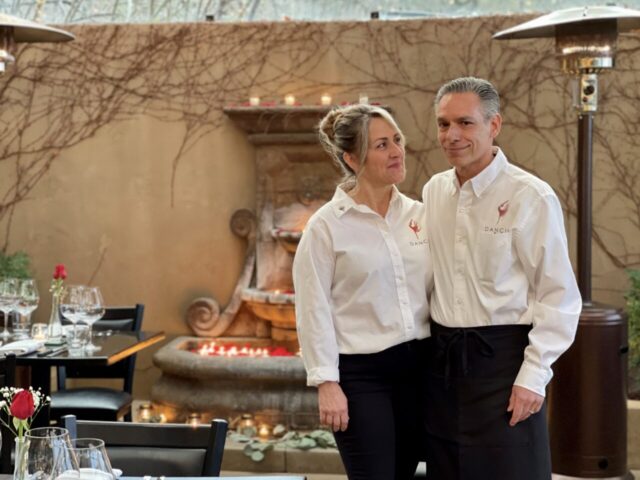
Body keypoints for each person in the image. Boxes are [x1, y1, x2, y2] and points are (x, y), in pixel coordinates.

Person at [421, 77, 582, 479]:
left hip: (505, 370)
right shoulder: (434, 192)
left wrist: (533, 377)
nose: (452, 135)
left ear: (494, 126)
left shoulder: (531, 197)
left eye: (465, 123)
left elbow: (559, 296)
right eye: (443, 124)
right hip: (443, 370)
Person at [293, 104, 432, 480]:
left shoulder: (420, 216)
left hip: (419, 370)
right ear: (352, 159)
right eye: (382, 145)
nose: (397, 152)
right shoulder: (325, 228)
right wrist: (327, 383)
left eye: (397, 140)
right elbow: (313, 310)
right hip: (361, 376)